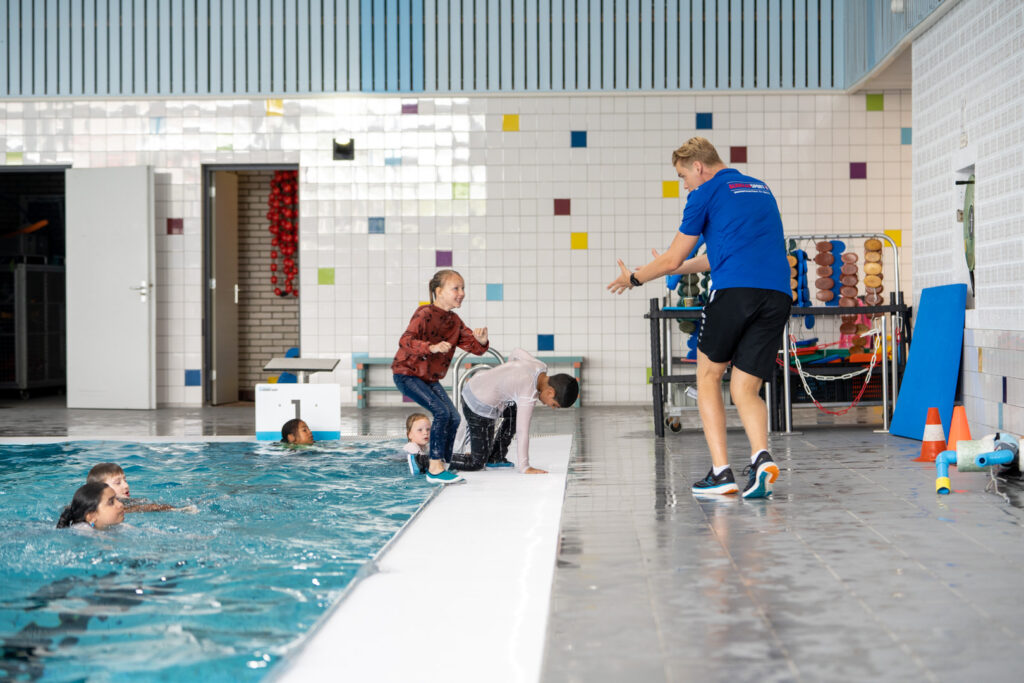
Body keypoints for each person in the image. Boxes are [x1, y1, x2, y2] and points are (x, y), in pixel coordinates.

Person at [607, 137, 791, 499]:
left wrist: (634, 278)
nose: (684, 184)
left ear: (698, 166)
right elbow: (715, 256)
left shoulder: (704, 193)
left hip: (734, 293)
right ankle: (760, 457)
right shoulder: (758, 188)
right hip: (777, 296)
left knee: (708, 376)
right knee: (745, 388)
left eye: (682, 175)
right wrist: (657, 269)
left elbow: (674, 257)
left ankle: (721, 472)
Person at [392, 269, 489, 485]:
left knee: (453, 417)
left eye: (463, 288)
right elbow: (405, 340)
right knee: (441, 413)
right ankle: (434, 468)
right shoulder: (424, 313)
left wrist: (481, 341)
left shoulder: (454, 321)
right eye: (456, 288)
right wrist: (432, 347)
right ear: (439, 291)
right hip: (406, 373)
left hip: (428, 378)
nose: (462, 292)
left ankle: (440, 463)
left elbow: (473, 346)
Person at [456, 348, 579, 474]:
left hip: (476, 384)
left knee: (514, 409)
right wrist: (525, 467)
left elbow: (516, 352)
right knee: (476, 462)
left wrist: (506, 375)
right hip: (477, 405)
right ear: (550, 392)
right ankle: (438, 459)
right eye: (554, 404)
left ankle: (495, 456)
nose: (551, 407)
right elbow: (522, 431)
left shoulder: (540, 366)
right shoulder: (528, 392)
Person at [86, 463, 177, 513]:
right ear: (99, 489)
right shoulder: (94, 507)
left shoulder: (134, 501)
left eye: (125, 480)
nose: (126, 485)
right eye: (118, 483)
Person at [56, 482, 125, 529]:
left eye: (117, 499)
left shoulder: (116, 526)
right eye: (111, 502)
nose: (120, 504)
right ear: (91, 516)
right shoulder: (81, 532)